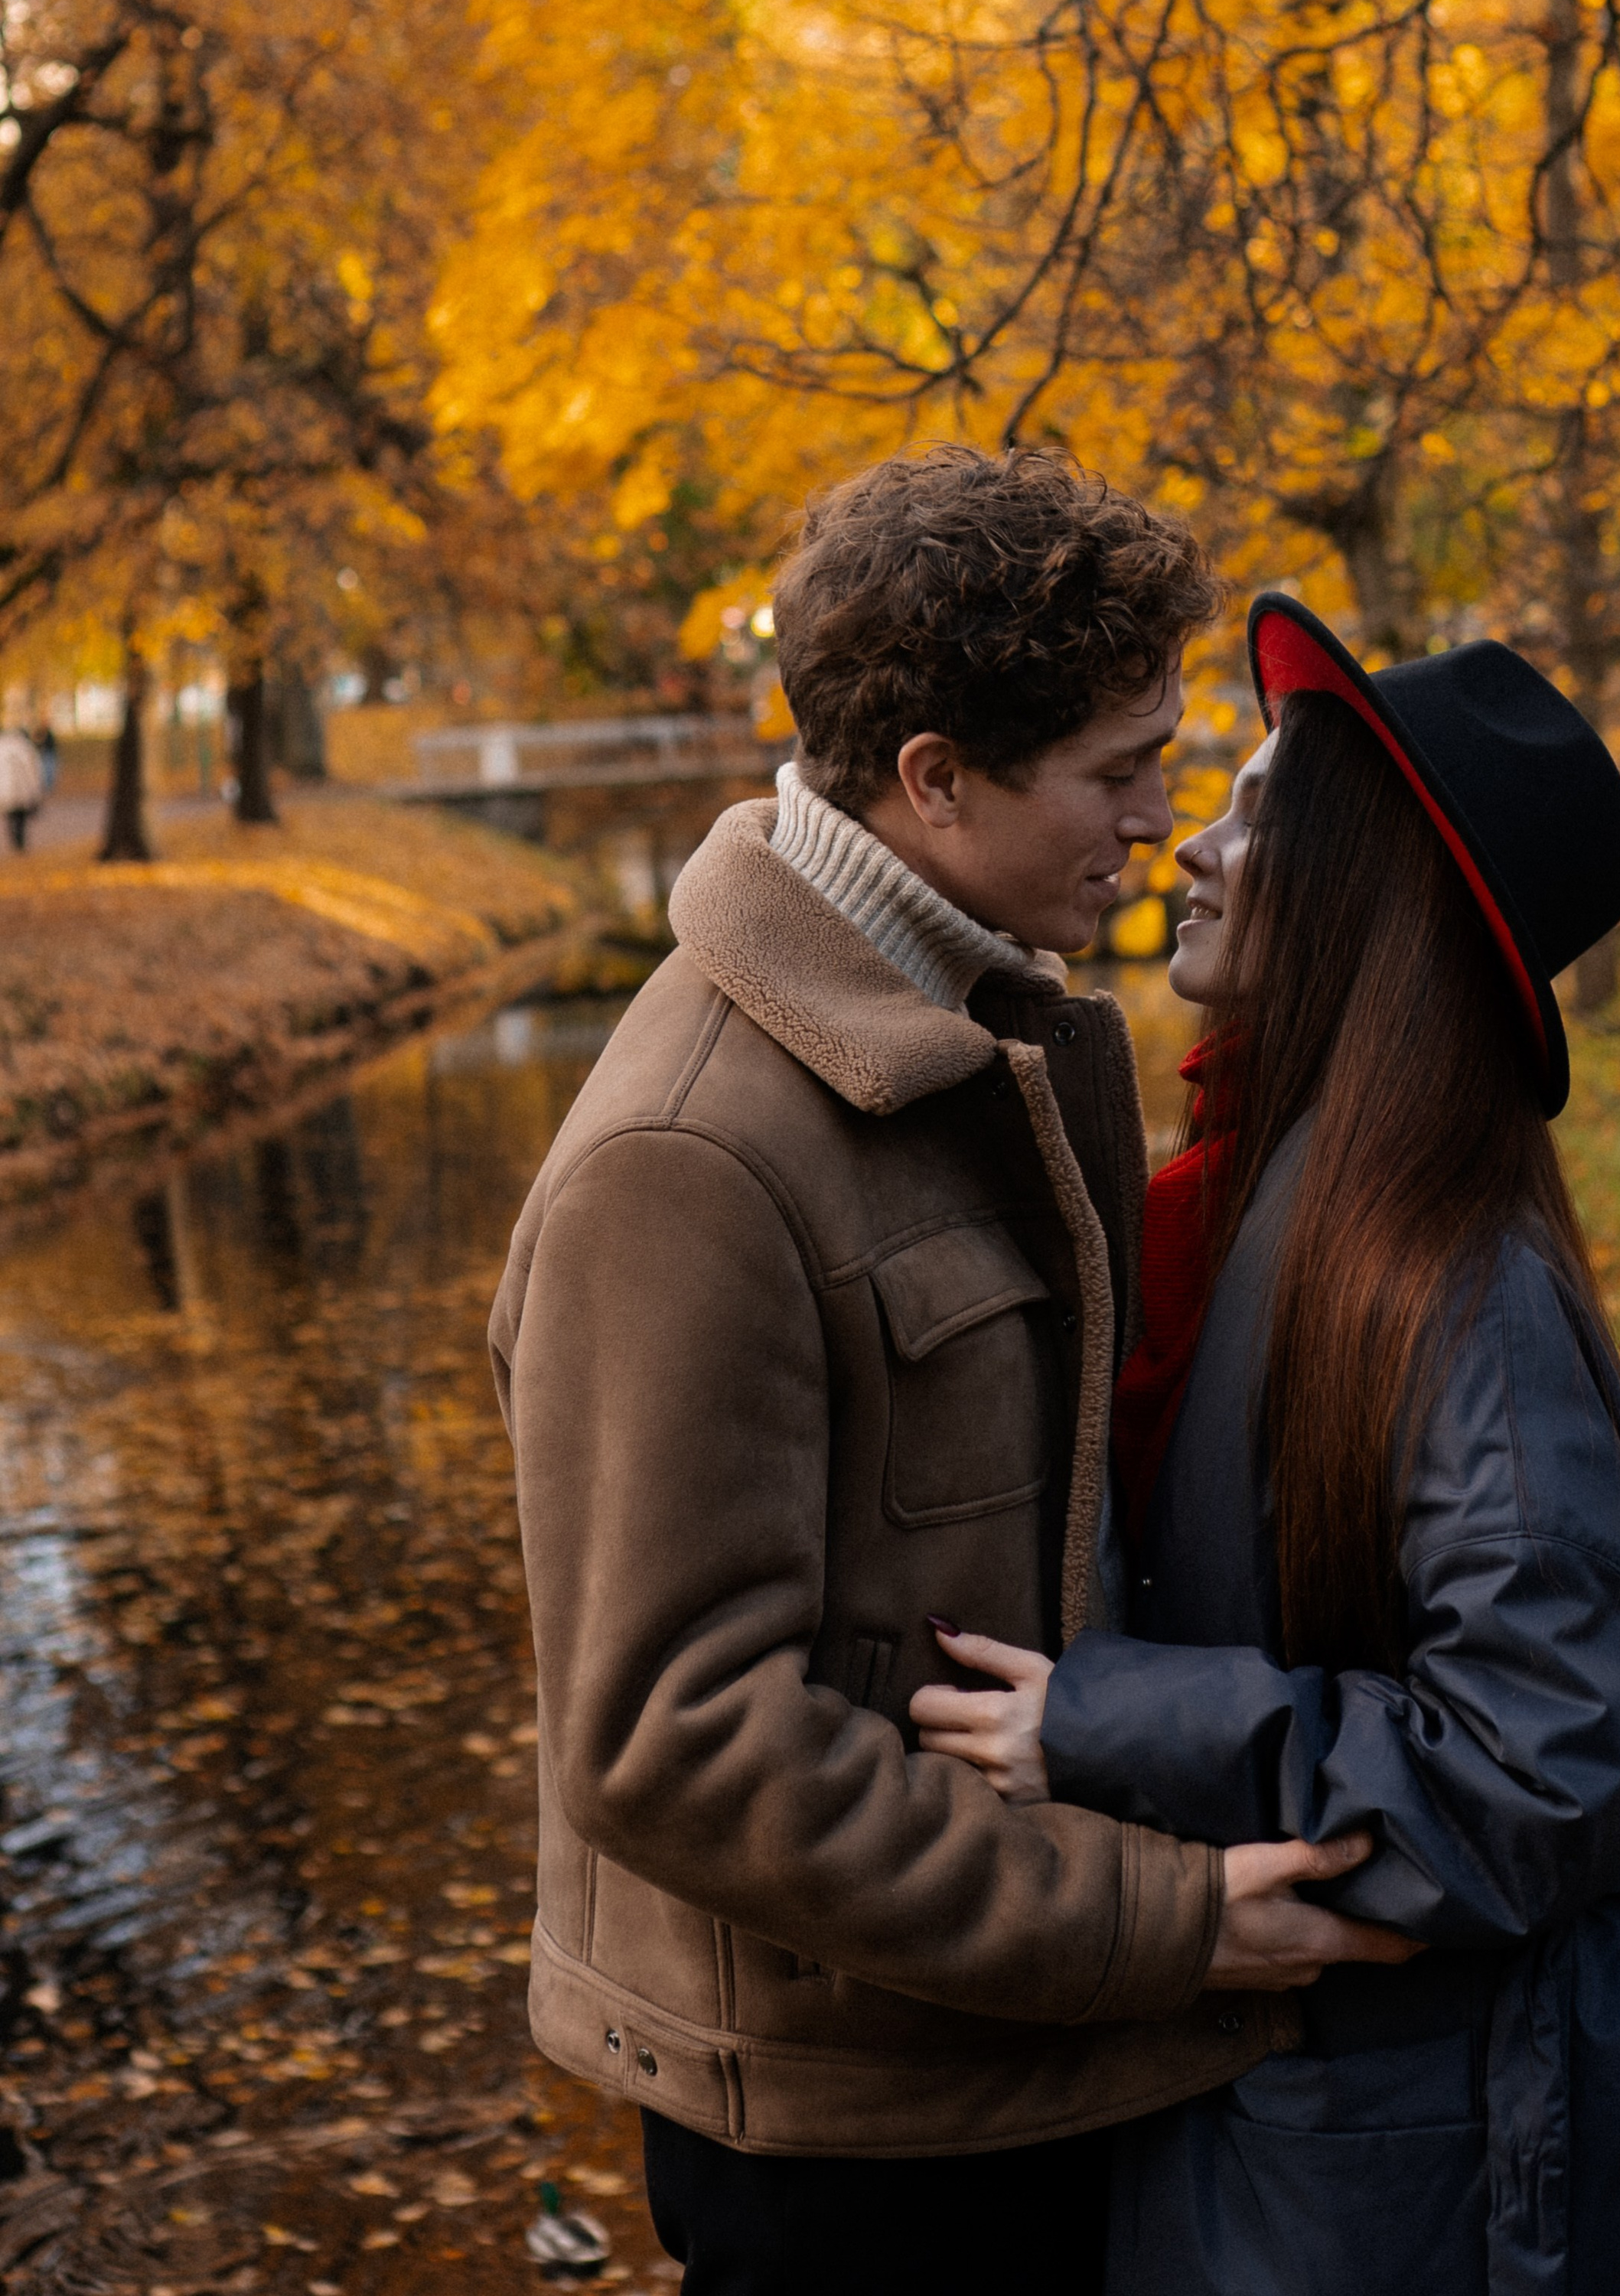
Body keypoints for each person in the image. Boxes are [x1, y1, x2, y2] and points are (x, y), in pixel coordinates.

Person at [489, 465, 1413, 2296]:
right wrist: (1157, 1917)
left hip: (1020, 2071)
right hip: (859, 2148)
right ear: (932, 779)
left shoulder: (980, 1019)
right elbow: (673, 1740)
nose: (1158, 818)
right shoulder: (687, 1158)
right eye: (1115, 771)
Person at [913, 591, 1620, 2296]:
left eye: (1257, 816)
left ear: (1370, 889)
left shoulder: (1445, 1279)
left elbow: (1539, 1761)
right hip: (1368, 2130)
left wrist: (1104, 1725)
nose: (1193, 845)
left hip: (1458, 2174)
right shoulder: (1287, 1194)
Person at [0, 724, 44, 850]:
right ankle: (20, 840)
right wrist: (35, 788)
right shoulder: (26, 747)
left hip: (6, 788)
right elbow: (33, 769)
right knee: (21, 816)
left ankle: (15, 839)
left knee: (10, 815)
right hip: (22, 788)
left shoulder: (2, 747)